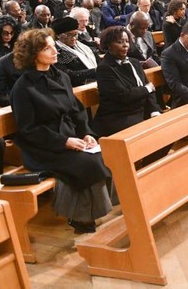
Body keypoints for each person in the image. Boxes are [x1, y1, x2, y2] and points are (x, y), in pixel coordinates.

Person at [10, 29, 113, 234]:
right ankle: (81, 217)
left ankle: (91, 212)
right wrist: (64, 142)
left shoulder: (61, 76)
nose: (54, 50)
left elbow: (77, 111)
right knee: (86, 162)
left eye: (53, 45)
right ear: (32, 54)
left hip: (68, 137)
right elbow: (28, 130)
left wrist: (86, 134)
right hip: (42, 147)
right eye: (47, 48)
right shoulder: (23, 88)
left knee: (105, 154)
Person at [92, 26, 168, 163]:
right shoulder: (105, 68)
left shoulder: (134, 63)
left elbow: (149, 92)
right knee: (150, 135)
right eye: (120, 42)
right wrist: (146, 89)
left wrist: (154, 111)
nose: (125, 45)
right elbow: (123, 96)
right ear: (108, 45)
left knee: (168, 131)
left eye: (127, 41)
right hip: (117, 116)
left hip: (139, 111)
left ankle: (148, 169)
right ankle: (139, 174)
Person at [52, 16, 100, 86]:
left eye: (75, 34)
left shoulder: (85, 45)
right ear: (58, 36)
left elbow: (98, 61)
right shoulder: (56, 52)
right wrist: (95, 71)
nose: (74, 38)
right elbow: (68, 75)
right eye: (69, 35)